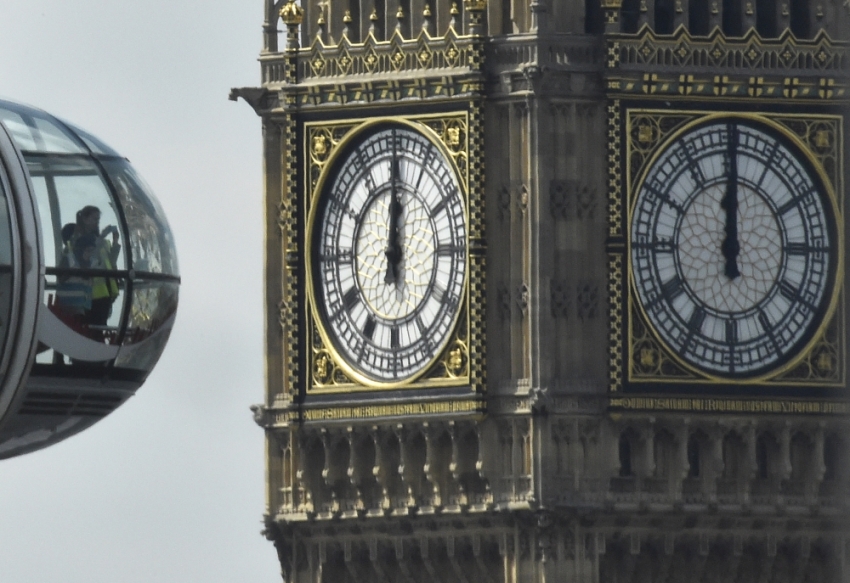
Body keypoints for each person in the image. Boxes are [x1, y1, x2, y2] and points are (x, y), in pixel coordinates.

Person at [71, 206, 121, 330]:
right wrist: (102, 237)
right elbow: (85, 261)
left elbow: (111, 262)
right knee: (94, 331)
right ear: (85, 219)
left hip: (107, 294)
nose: (97, 223)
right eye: (94, 219)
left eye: (98, 220)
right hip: (92, 295)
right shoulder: (80, 240)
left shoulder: (101, 241)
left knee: (100, 328)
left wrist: (115, 242)